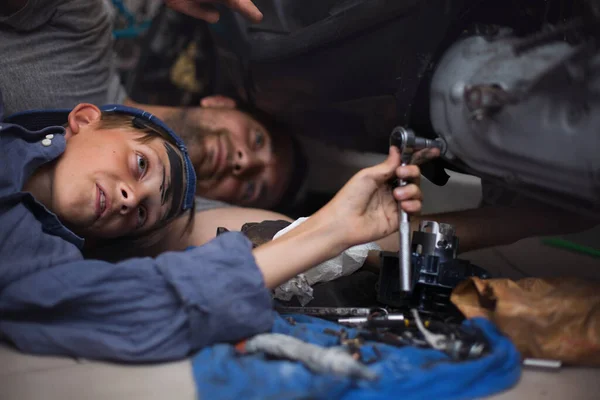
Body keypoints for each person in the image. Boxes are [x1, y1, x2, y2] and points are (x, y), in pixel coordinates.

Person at [0, 94, 423, 361]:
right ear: (85, 119)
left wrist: (333, 230)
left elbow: (149, 303)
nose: (131, 197)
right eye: (140, 164)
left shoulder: (38, 270)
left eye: (143, 212)